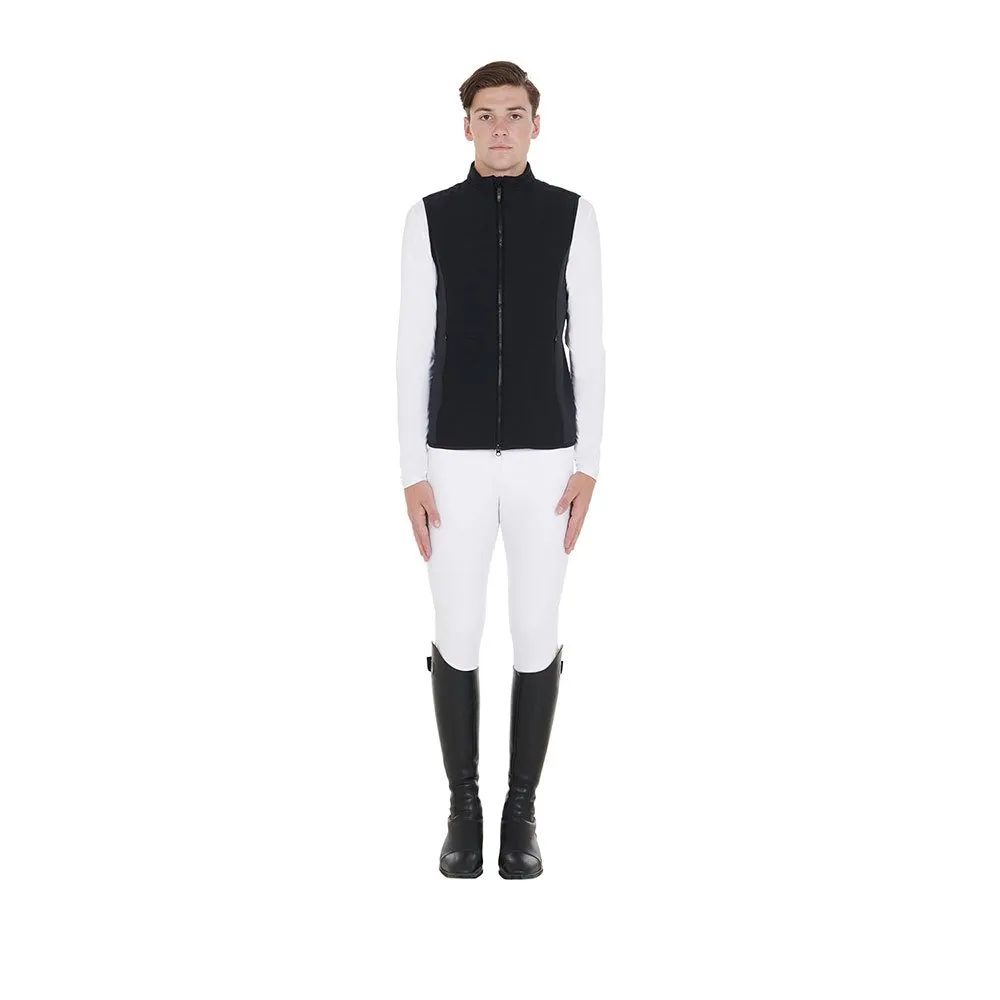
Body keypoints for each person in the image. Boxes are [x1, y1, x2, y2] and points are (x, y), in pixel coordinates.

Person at [395, 60, 605, 879]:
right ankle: (464, 808)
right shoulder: (429, 217)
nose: (501, 128)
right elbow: (413, 346)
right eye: (486, 115)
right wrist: (412, 471)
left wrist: (589, 463)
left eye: (515, 114)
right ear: (467, 127)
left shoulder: (572, 215)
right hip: (450, 461)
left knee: (535, 629)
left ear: (536, 124)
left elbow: (589, 343)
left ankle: (522, 812)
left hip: (547, 460)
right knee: (456, 629)